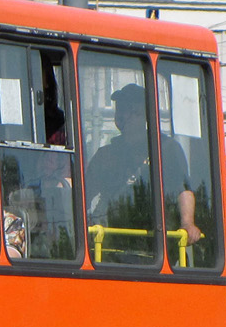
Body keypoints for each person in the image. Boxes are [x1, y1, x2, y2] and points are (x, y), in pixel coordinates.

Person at [84, 82, 201, 250]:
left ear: (144, 115)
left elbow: (183, 189)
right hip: (109, 243)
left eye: (131, 111)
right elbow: (85, 194)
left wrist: (188, 223)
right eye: (120, 110)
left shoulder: (166, 149)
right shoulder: (106, 154)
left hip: (154, 244)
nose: (124, 116)